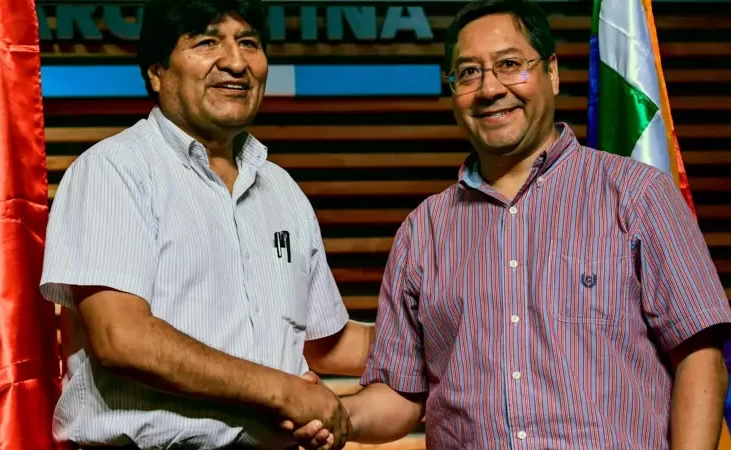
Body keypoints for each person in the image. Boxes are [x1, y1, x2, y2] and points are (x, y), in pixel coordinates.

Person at [290, 0, 731, 448]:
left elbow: (699, 358)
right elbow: (401, 395)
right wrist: (335, 413)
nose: (489, 88)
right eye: (469, 72)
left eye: (509, 64)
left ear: (552, 73)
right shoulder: (423, 232)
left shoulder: (638, 195)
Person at [39, 0, 372, 449]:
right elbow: (123, 339)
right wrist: (285, 393)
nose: (235, 62)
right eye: (207, 42)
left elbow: (322, 343)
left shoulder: (283, 189)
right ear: (157, 72)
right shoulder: (113, 170)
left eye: (248, 42)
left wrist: (445, 337)